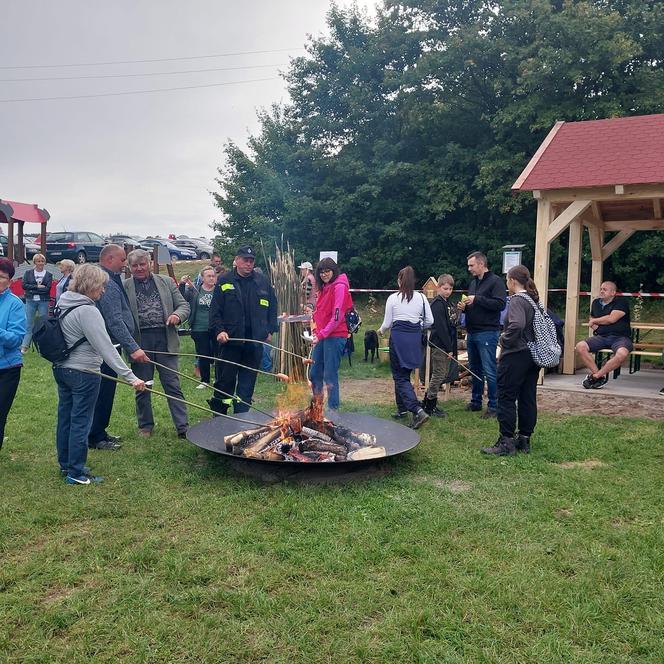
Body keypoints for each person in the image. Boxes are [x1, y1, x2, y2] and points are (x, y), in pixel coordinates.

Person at [53, 264, 145, 484]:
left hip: (62, 368)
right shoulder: (88, 310)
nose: (103, 291)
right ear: (92, 284)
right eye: (102, 286)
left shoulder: (63, 301)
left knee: (65, 417)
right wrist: (131, 377)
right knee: (81, 421)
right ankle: (76, 473)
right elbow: (106, 348)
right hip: (84, 372)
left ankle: (66, 465)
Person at [88, 244, 150, 450]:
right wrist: (132, 347)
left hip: (110, 344)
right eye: (123, 260)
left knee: (107, 390)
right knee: (103, 392)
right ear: (110, 259)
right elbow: (114, 320)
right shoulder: (105, 281)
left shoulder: (110, 278)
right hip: (106, 346)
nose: (125, 264)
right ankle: (95, 436)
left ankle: (99, 430)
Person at [124, 249, 190, 437]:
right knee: (143, 385)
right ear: (129, 267)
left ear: (149, 263)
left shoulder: (166, 282)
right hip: (140, 342)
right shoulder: (124, 286)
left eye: (142, 264)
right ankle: (145, 426)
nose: (139, 269)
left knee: (172, 385)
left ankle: (183, 427)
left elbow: (184, 305)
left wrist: (177, 315)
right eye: (134, 266)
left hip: (165, 339)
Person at [208, 245, 278, 414]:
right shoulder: (225, 281)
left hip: (253, 344)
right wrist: (219, 331)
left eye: (251, 261)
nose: (248, 264)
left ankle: (241, 420)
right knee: (225, 383)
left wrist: (269, 330)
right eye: (245, 260)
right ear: (237, 260)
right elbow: (215, 311)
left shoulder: (262, 281)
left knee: (246, 386)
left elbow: (272, 308)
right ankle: (219, 418)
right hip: (230, 342)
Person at [481, 265, 540, 456]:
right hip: (531, 355)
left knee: (505, 397)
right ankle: (524, 438)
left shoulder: (516, 301)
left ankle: (506, 441)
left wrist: (503, 340)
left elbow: (516, 325)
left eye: (507, 280)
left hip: (515, 354)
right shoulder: (532, 300)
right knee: (527, 397)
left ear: (513, 281)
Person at [379, 266, 434, 429]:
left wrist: (381, 331)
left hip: (398, 338)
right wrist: (417, 327)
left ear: (399, 281)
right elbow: (430, 321)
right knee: (404, 373)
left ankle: (417, 410)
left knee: (400, 376)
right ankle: (402, 409)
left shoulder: (393, 298)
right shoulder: (422, 298)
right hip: (414, 338)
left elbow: (387, 323)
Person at [457, 251, 506, 418]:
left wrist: (476, 299)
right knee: (475, 368)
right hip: (472, 331)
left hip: (487, 332)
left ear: (481, 264)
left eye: (471, 265)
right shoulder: (473, 283)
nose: (469, 268)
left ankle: (494, 406)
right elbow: (474, 305)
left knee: (489, 370)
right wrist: (465, 307)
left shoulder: (496, 282)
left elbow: (500, 304)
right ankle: (476, 401)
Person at [308, 257, 353, 414]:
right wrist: (316, 332)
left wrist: (321, 334)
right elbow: (320, 312)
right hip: (323, 334)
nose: (324, 274)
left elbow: (337, 315)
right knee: (314, 373)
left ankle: (333, 411)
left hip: (336, 335)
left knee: (329, 374)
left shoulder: (339, 286)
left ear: (334, 270)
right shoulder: (324, 287)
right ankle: (317, 408)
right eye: (321, 272)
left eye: (327, 271)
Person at [575, 281, 632, 389]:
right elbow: (592, 321)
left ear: (613, 293)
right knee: (580, 346)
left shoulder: (621, 302)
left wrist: (595, 321)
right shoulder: (596, 303)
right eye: (601, 289)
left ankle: (596, 376)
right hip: (602, 337)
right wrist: (596, 324)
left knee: (622, 354)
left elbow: (612, 319)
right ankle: (599, 377)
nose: (601, 291)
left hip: (620, 337)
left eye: (604, 289)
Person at [422, 274, 458, 419]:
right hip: (439, 345)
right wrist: (449, 348)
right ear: (438, 288)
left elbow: (451, 324)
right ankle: (430, 404)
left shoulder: (447, 303)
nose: (448, 291)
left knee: (442, 374)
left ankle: (428, 400)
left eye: (450, 289)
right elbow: (442, 328)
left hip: (446, 344)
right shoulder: (437, 304)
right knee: (438, 374)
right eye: (445, 288)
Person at [0, 257, 26, 450]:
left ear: (10, 281)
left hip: (6, 368)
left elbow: (15, 340)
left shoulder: (15, 304)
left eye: (1, 277)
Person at [179, 266, 218, 388]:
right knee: (203, 354)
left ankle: (219, 379)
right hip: (199, 327)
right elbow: (181, 298)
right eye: (209, 276)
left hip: (217, 327)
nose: (211, 278)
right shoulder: (195, 290)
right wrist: (181, 284)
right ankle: (205, 380)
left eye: (213, 276)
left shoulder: (219, 291)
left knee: (218, 354)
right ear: (202, 278)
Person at [21, 253, 53, 352]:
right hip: (30, 300)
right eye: (38, 261)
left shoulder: (48, 275)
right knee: (28, 323)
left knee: (43, 323)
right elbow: (24, 286)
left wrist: (32, 289)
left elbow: (47, 289)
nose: (40, 263)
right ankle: (25, 346)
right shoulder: (28, 273)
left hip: (43, 301)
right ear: (34, 262)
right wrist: (37, 287)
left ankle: (44, 345)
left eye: (42, 261)